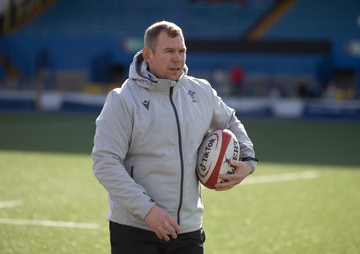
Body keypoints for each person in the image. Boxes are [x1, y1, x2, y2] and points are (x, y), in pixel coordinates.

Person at [92, 21, 257, 254]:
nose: (177, 58)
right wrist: (148, 211)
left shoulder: (201, 92)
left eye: (182, 51)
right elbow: (104, 162)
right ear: (148, 54)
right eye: (169, 51)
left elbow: (230, 121)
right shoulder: (123, 99)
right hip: (135, 229)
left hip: (187, 229)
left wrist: (248, 162)